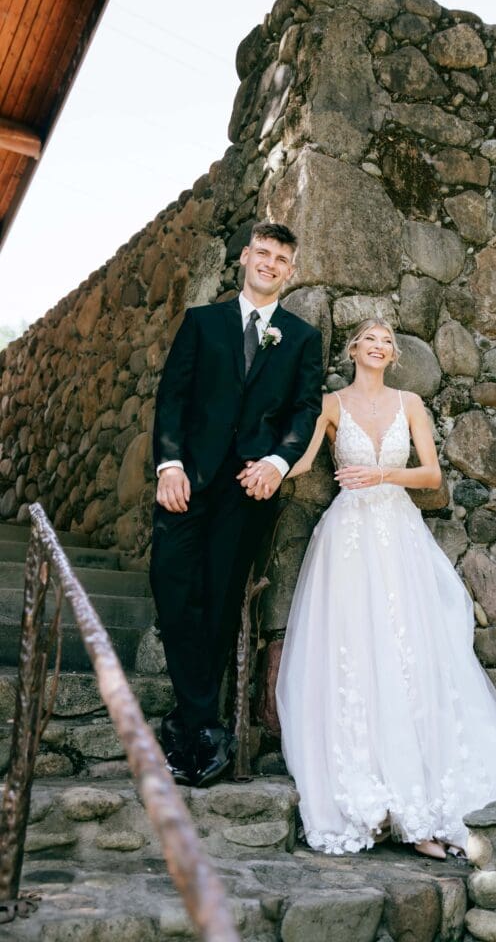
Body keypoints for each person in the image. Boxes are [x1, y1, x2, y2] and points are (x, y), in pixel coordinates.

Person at [276, 319, 496, 908]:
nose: (380, 345)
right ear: (353, 349)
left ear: (394, 356)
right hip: (347, 542)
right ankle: (373, 801)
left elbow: (431, 475)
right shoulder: (330, 405)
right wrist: (266, 468)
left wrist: (381, 474)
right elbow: (301, 460)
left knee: (410, 659)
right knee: (354, 657)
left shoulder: (410, 403)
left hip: (397, 535)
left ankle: (419, 806)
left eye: (388, 340)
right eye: (370, 338)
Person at [151, 221, 322, 788]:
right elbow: (172, 397)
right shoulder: (202, 323)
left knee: (222, 600)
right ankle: (201, 721)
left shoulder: (301, 338)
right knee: (172, 585)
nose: (270, 263)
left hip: (250, 487)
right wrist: (169, 465)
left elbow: (304, 409)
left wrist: (277, 463)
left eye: (281, 259)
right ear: (245, 257)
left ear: (290, 271)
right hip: (187, 481)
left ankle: (192, 731)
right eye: (263, 253)